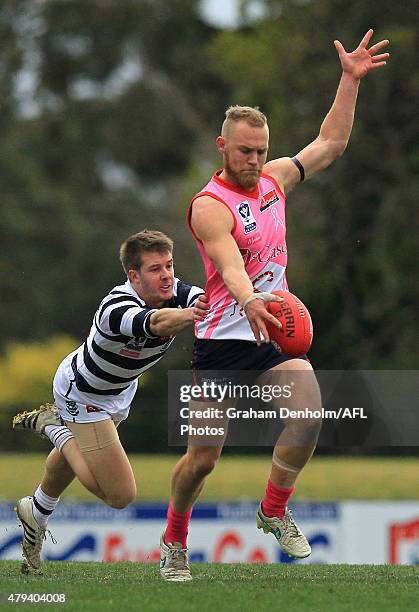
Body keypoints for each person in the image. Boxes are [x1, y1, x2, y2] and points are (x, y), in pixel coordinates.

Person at [159, 29, 390, 581]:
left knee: (309, 410)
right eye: (245, 151)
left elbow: (328, 145)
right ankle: (174, 541)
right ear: (223, 147)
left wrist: (349, 81)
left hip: (270, 337)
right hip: (220, 341)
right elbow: (230, 265)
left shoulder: (274, 182)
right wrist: (251, 298)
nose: (256, 160)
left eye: (262, 151)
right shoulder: (209, 206)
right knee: (203, 459)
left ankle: (274, 510)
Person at [12, 229, 209, 574]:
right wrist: (196, 315)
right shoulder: (115, 307)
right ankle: (53, 428)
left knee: (75, 459)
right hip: (83, 393)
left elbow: (210, 300)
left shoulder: (177, 291)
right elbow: (157, 322)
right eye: (154, 269)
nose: (166, 275)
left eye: (169, 265)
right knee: (120, 494)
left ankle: (37, 511)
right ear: (133, 276)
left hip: (117, 392)